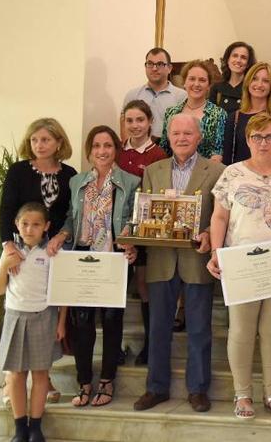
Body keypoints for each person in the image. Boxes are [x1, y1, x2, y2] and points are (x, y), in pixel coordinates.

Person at [207, 113, 271, 420]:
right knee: (241, 329)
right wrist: (216, 252)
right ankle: (242, 394)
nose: (263, 143)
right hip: (242, 262)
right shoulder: (232, 174)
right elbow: (220, 217)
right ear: (248, 140)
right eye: (257, 137)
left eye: (269, 137)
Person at [133, 114, 226, 414]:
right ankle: (156, 388)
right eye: (176, 133)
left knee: (199, 328)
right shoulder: (152, 171)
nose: (182, 138)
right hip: (161, 260)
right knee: (158, 327)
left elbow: (224, 216)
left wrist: (210, 234)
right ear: (168, 137)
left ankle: (198, 389)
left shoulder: (217, 171)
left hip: (196, 259)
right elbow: (144, 213)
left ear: (199, 137)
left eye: (188, 133)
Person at [48, 126, 140, 408]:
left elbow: (137, 218)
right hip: (83, 255)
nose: (102, 151)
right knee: (82, 324)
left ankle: (107, 381)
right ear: (89, 151)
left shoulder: (131, 181)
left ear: (116, 150)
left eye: (108, 146)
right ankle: (84, 381)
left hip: (113, 257)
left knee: (112, 323)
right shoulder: (77, 182)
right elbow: (70, 218)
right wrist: (62, 235)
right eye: (97, 146)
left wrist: (131, 242)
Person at [0, 118, 76, 408]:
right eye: (34, 140)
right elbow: (6, 210)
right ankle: (12, 377)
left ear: (58, 142)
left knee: (47, 311)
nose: (39, 145)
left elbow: (71, 211)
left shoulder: (69, 174)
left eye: (45, 139)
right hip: (20, 247)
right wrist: (9, 247)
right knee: (18, 307)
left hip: (54, 248)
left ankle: (46, 376)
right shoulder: (19, 171)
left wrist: (62, 236)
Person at [0, 203, 67, 442]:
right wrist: (4, 267)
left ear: (46, 227)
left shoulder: (53, 253)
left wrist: (61, 322)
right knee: (16, 375)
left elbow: (61, 292)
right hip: (15, 316)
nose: (29, 229)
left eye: (36, 224)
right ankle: (20, 428)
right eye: (24, 223)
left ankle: (35, 426)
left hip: (44, 317)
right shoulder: (10, 252)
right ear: (16, 224)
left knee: (40, 374)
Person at [118, 100, 168, 366]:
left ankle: (150, 346)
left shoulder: (157, 154)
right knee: (115, 288)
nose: (135, 126)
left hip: (145, 229)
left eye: (140, 120)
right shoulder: (116, 153)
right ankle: (115, 347)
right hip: (116, 230)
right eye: (129, 121)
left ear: (150, 122)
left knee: (144, 286)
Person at [222, 62, 271, 166]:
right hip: (241, 179)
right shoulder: (234, 118)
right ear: (248, 82)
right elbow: (227, 159)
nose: (259, 84)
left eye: (266, 81)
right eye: (254, 79)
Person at [159, 59, 226, 162]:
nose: (196, 84)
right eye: (192, 79)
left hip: (206, 174)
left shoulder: (218, 114)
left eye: (202, 80)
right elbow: (164, 149)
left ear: (208, 86)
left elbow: (218, 152)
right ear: (184, 83)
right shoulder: (171, 113)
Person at [123, 47, 187, 138]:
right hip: (139, 150)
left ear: (169, 68)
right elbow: (124, 125)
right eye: (150, 64)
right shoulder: (132, 95)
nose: (154, 68)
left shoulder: (182, 97)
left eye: (160, 64)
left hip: (170, 150)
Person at [210, 41, 256, 115]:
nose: (238, 60)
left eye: (243, 57)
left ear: (248, 64)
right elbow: (211, 118)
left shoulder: (252, 88)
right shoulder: (216, 88)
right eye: (235, 56)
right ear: (228, 60)